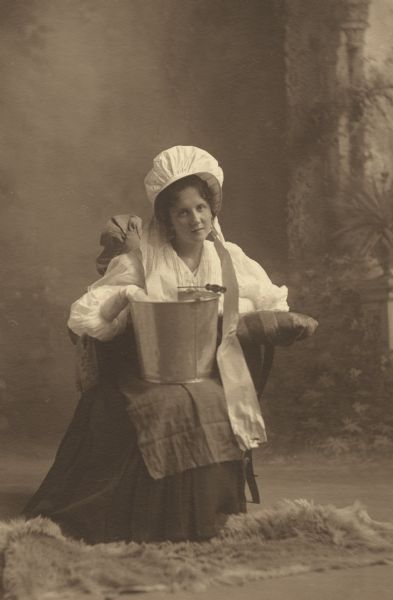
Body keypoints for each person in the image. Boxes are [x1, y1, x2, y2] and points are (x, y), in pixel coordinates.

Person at [23, 146, 316, 544]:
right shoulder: (142, 261)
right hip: (143, 370)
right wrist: (128, 299)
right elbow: (84, 316)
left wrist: (242, 313)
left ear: (213, 210)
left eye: (201, 208)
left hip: (209, 367)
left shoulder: (229, 257)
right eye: (183, 212)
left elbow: (271, 301)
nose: (195, 219)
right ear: (166, 219)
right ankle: (151, 519)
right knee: (165, 406)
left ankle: (207, 515)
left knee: (212, 400)